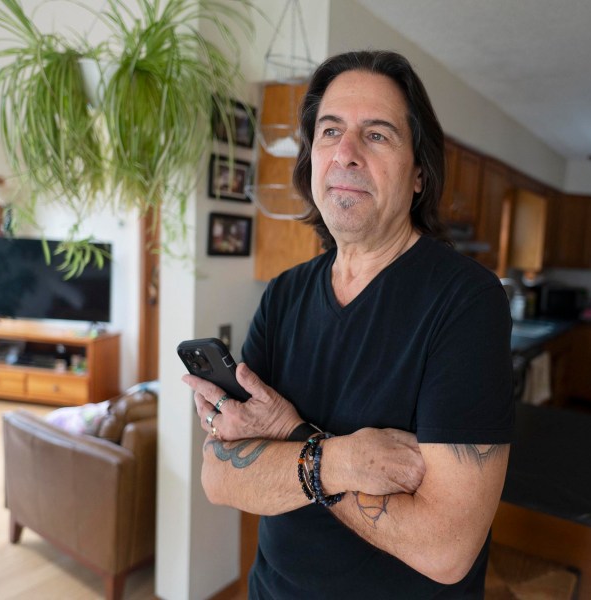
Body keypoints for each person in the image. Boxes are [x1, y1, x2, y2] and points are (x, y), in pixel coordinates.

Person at [182, 49, 513, 599]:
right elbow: (219, 477)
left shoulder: (466, 301)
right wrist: (339, 460)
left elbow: (445, 548)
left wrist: (289, 438)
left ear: (419, 174)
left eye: (377, 135)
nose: (346, 154)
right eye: (330, 131)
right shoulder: (283, 294)